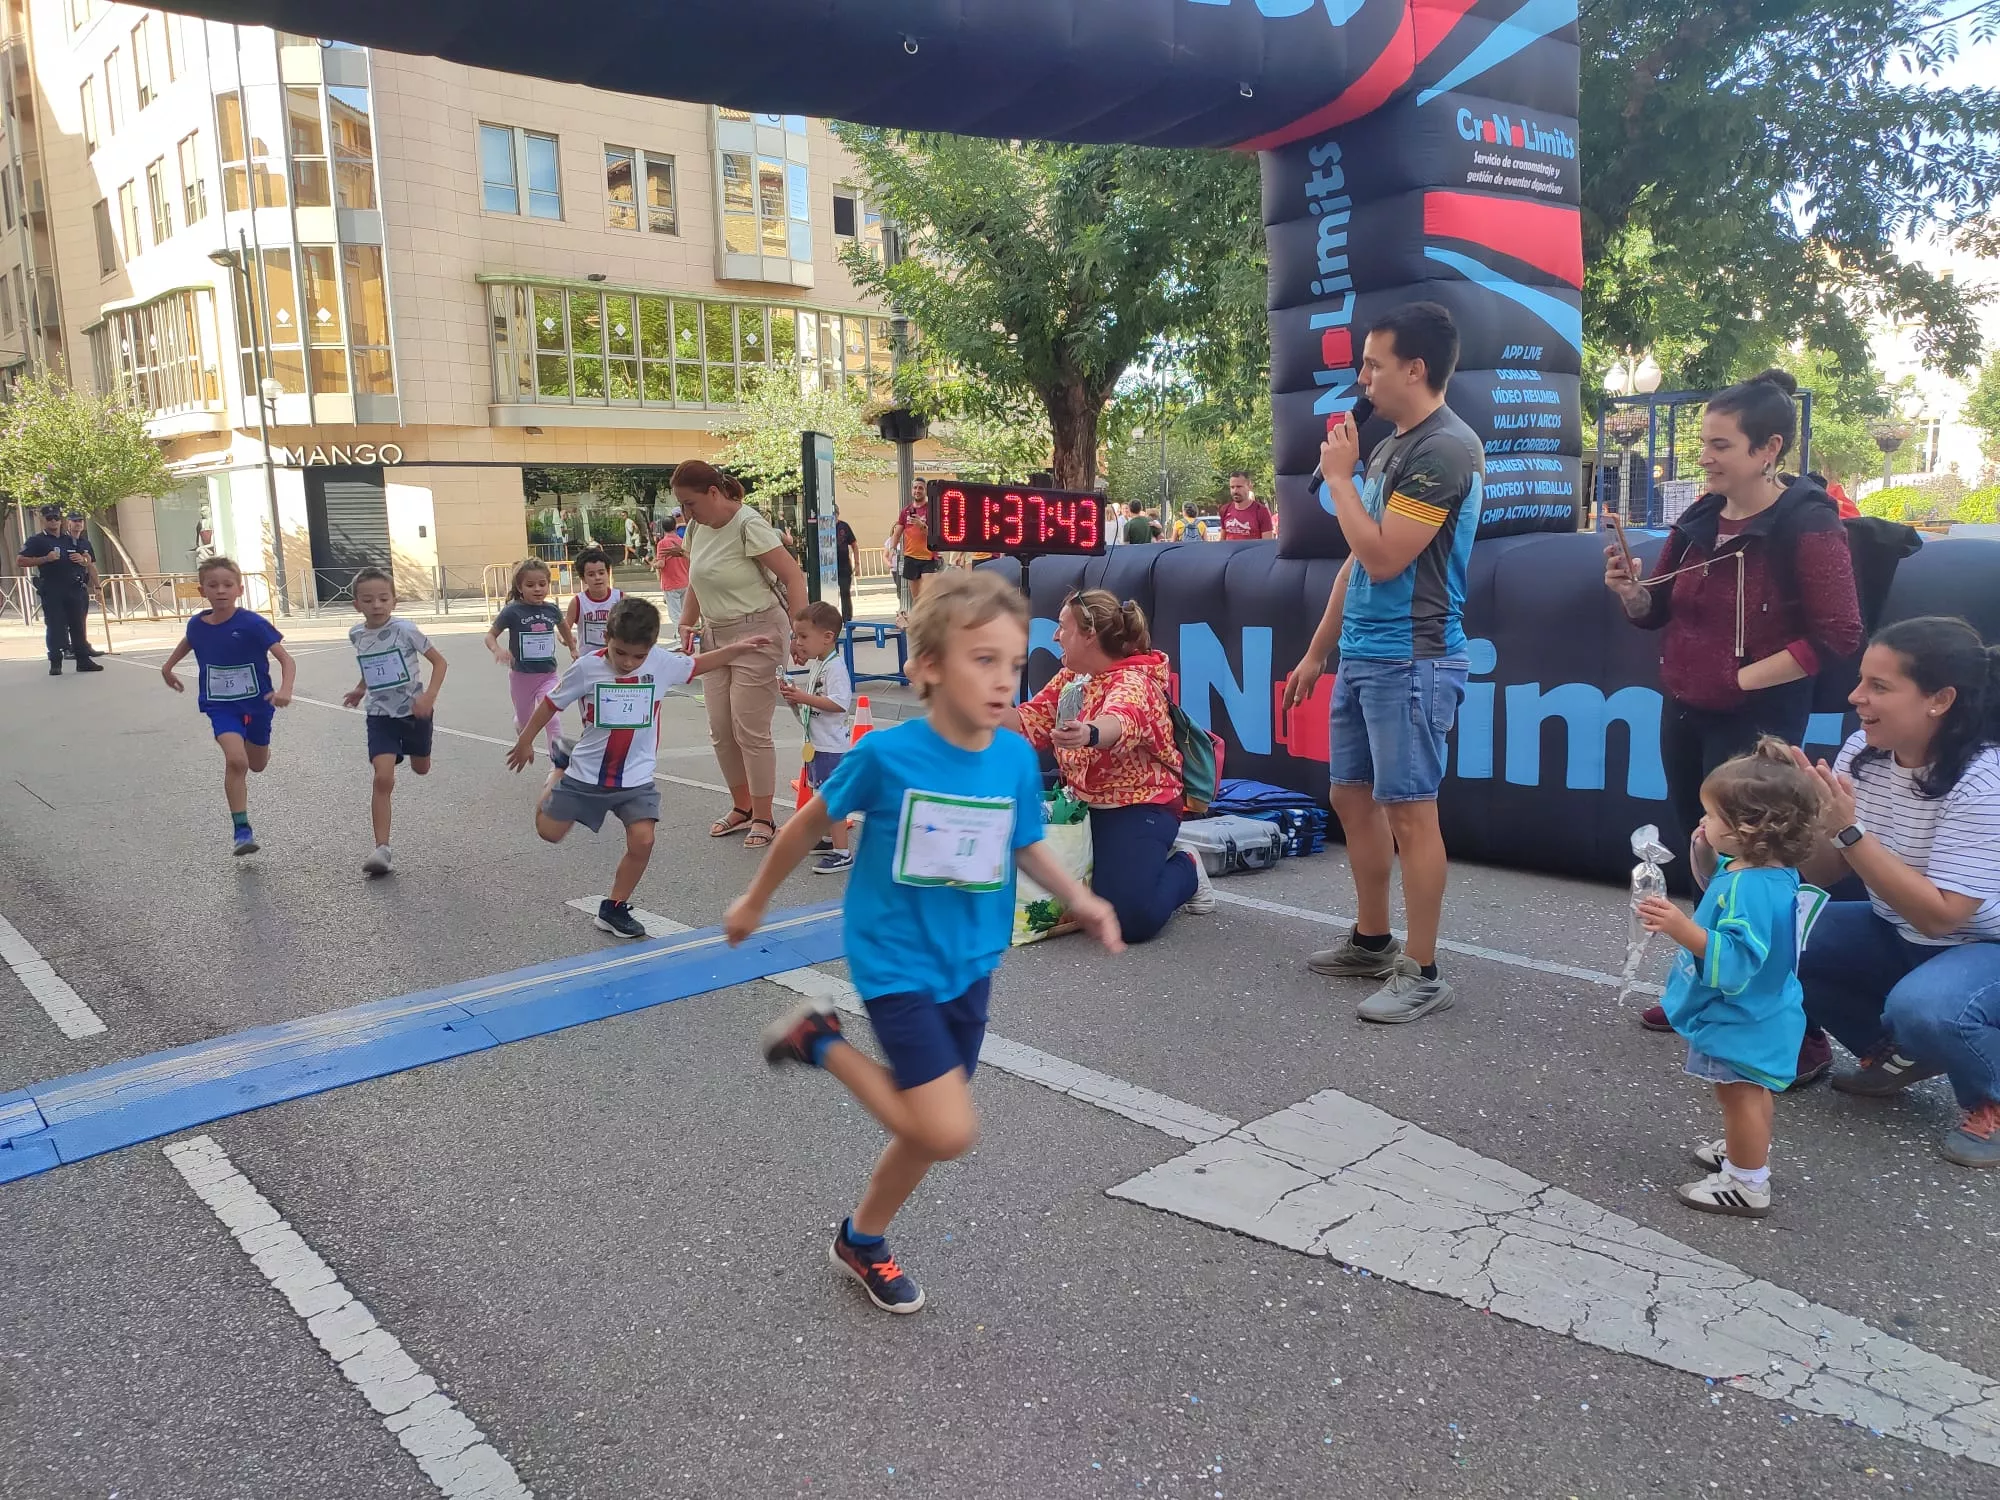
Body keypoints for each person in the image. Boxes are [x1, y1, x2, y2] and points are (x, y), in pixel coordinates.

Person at [726, 570, 1122, 1315]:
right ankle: (819, 1039)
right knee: (946, 1129)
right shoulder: (886, 756)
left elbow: (1026, 844)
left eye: (1014, 663)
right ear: (930, 666)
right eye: (983, 661)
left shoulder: (1010, 759)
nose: (1005, 681)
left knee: (923, 1127)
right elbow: (807, 825)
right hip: (894, 960)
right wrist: (754, 899)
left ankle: (863, 1239)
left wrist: (1083, 899)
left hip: (970, 964)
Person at [1605, 369, 1861, 1065]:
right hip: (1685, 708)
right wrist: (1630, 592)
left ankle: (1792, 1027)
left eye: (1720, 445)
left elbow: (1839, 635)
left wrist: (1740, 676)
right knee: (1703, 844)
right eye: (1704, 443)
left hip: (1760, 720)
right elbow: (1655, 612)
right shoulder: (1696, 520)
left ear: (1768, 448)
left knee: (1758, 864)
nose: (1706, 458)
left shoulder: (1808, 525)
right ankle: (1704, 983)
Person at [1282, 302, 1482, 1024]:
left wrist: (1338, 479)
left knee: (1410, 811)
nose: (1361, 376)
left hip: (1413, 658)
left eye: (1372, 363)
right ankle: (1372, 940)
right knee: (1351, 798)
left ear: (1415, 369)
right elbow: (1352, 566)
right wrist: (1316, 653)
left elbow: (1383, 555)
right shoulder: (1394, 446)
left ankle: (1423, 970)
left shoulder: (1445, 450)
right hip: (1365, 653)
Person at [1778, 617, 2000, 1169]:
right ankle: (1895, 1054)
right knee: (1773, 932)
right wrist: (1804, 824)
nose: (1857, 697)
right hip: (1896, 924)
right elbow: (1824, 873)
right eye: (1860, 680)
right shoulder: (1864, 750)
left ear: (1940, 700)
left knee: (1927, 1007)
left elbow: (1942, 919)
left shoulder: (1982, 780)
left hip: (1980, 946)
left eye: (1880, 686)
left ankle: (1989, 1096)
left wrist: (1851, 832)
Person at [507, 596, 773, 938]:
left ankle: (614, 907)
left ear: (650, 649)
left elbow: (697, 665)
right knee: (550, 832)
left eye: (638, 656)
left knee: (643, 840)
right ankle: (560, 765)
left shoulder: (661, 663)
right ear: (607, 638)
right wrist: (526, 739)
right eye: (620, 653)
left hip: (636, 776)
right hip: (588, 771)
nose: (629, 663)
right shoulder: (587, 667)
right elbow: (551, 703)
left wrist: (738, 649)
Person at [1636, 740, 1823, 1217]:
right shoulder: (1765, 870)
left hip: (1743, 1013)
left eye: (1712, 816)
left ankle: (1746, 1181)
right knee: (1748, 1091)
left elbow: (1738, 959)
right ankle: (1745, 1151)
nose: (1703, 823)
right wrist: (1707, 847)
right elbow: (1721, 880)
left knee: (1738, 1092)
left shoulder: (1752, 887)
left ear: (1749, 828)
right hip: (1764, 1009)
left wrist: (1683, 928)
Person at [1005, 589, 1215, 941]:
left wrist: (1088, 733)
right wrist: (976, 703)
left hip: (1136, 807)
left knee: (1132, 921)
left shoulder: (1135, 683)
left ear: (1089, 636)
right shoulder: (1071, 678)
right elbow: (1031, 721)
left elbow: (1121, 721)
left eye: (1063, 627)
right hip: (1080, 802)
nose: (1055, 636)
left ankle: (1187, 867)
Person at [673, 460, 809, 850]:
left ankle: (765, 816)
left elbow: (793, 576)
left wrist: (800, 634)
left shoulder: (748, 524)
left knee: (749, 728)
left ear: (714, 493)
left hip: (759, 632)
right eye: (682, 505)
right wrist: (687, 622)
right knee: (720, 727)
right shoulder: (699, 527)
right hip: (715, 636)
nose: (687, 513)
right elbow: (698, 579)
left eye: (691, 503)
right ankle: (742, 806)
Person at [158, 556, 296, 856]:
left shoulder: (252, 623)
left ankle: (257, 743)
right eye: (213, 585)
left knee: (256, 764)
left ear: (239, 590)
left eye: (227, 585)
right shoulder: (197, 624)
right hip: (221, 706)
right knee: (237, 761)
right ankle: (242, 830)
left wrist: (285, 689)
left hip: (258, 703)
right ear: (201, 590)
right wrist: (168, 667)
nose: (220, 590)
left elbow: (286, 659)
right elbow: (189, 641)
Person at [340, 568, 448, 877]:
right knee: (382, 777)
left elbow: (440, 662)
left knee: (420, 767)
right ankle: (382, 848)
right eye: (368, 599)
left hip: (415, 713)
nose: (376, 605)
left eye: (383, 598)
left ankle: (419, 752)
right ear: (356, 604)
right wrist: (361, 688)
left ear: (394, 601)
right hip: (380, 715)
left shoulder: (406, 630)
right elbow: (370, 663)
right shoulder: (356, 634)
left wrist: (429, 696)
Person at [780, 600, 856, 874]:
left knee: (832, 798)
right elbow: (813, 707)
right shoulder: (820, 664)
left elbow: (839, 703)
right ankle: (827, 840)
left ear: (827, 638)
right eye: (795, 636)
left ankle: (842, 852)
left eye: (803, 637)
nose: (798, 643)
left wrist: (802, 697)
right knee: (820, 795)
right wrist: (794, 700)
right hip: (817, 744)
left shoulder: (835, 668)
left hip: (831, 747)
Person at [487, 559, 575, 759]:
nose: (537, 589)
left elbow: (565, 629)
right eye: (530, 585)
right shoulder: (512, 611)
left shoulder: (551, 610)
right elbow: (490, 636)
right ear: (520, 587)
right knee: (526, 722)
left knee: (552, 720)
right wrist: (497, 650)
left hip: (548, 675)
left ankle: (558, 764)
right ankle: (521, 728)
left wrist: (572, 647)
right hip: (522, 677)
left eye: (542, 584)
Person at [17, 504, 101, 674]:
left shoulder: (69, 539)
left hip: (74, 588)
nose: (54, 521)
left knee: (78, 625)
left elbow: (88, 559)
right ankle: (55, 662)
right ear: (43, 520)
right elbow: (21, 561)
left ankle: (83, 660)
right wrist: (45, 559)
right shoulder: (37, 540)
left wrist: (82, 559)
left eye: (56, 517)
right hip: (53, 588)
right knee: (55, 625)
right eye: (49, 518)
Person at [565, 548, 622, 658]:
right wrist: (565, 639)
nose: (597, 578)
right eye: (591, 574)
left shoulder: (620, 598)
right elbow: (564, 628)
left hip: (615, 660)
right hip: (588, 660)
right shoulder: (578, 602)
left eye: (601, 573)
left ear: (608, 572)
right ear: (583, 578)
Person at [894, 477, 938, 606]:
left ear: (925, 491)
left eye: (920, 488)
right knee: (917, 598)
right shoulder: (906, 511)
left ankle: (931, 620)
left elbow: (935, 534)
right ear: (911, 490)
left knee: (929, 595)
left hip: (929, 557)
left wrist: (921, 525)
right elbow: (898, 532)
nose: (917, 490)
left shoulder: (931, 509)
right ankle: (919, 622)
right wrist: (891, 549)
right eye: (915, 488)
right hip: (911, 557)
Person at [653, 511, 690, 629]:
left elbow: (661, 564)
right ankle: (687, 637)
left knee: (675, 615)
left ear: (663, 528)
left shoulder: (662, 543)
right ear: (675, 526)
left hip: (670, 583)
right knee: (684, 613)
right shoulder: (682, 542)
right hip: (685, 581)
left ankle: (680, 639)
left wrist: (653, 564)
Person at [1219, 471, 1275, 540]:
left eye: (1239, 487)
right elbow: (1222, 541)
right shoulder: (1225, 509)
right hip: (1231, 551)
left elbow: (1267, 544)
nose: (1235, 491)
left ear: (1249, 486)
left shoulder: (1261, 511)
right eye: (1232, 487)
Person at [834, 508, 860, 624]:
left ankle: (847, 620)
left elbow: (854, 544)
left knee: (845, 593)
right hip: (829, 566)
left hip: (844, 565)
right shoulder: (823, 526)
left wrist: (857, 563)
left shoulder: (844, 526)